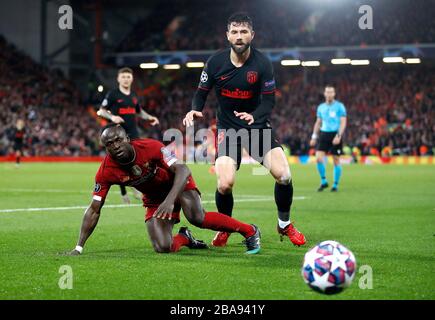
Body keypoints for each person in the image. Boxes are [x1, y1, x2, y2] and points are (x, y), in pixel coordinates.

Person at [182, 12, 306, 247]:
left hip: (256, 127)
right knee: (224, 184)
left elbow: (269, 101)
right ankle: (226, 226)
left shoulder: (262, 64)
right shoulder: (215, 62)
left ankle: (284, 225)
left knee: (284, 175)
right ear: (227, 35)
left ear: (252, 35)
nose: (239, 36)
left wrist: (255, 115)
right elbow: (201, 93)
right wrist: (195, 109)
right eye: (235, 32)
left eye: (244, 32)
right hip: (228, 129)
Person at [68, 125, 261, 255]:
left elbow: (183, 169)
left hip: (177, 183)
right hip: (154, 197)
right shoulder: (106, 171)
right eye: (109, 144)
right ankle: (184, 238)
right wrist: (78, 248)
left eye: (118, 140)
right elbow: (94, 209)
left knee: (197, 217)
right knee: (162, 247)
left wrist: (170, 200)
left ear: (127, 138)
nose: (115, 146)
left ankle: (250, 231)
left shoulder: (150, 147)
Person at [97, 67, 160, 204]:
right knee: (121, 162)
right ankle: (124, 192)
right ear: (118, 79)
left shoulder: (133, 96)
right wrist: (113, 117)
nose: (126, 79)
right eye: (123, 77)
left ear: (132, 79)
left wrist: (150, 118)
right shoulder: (113, 94)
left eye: (128, 77)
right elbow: (101, 111)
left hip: (133, 133)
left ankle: (137, 187)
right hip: (118, 136)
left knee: (137, 160)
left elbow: (139, 112)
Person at [309, 85, 347, 192]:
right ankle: (323, 181)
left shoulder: (340, 106)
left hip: (335, 134)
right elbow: (318, 122)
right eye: (327, 92)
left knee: (336, 159)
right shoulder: (321, 107)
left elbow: (343, 122)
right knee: (318, 158)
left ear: (334, 94)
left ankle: (335, 184)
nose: (329, 94)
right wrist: (314, 136)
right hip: (324, 134)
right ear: (324, 93)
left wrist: (339, 136)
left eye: (331, 92)